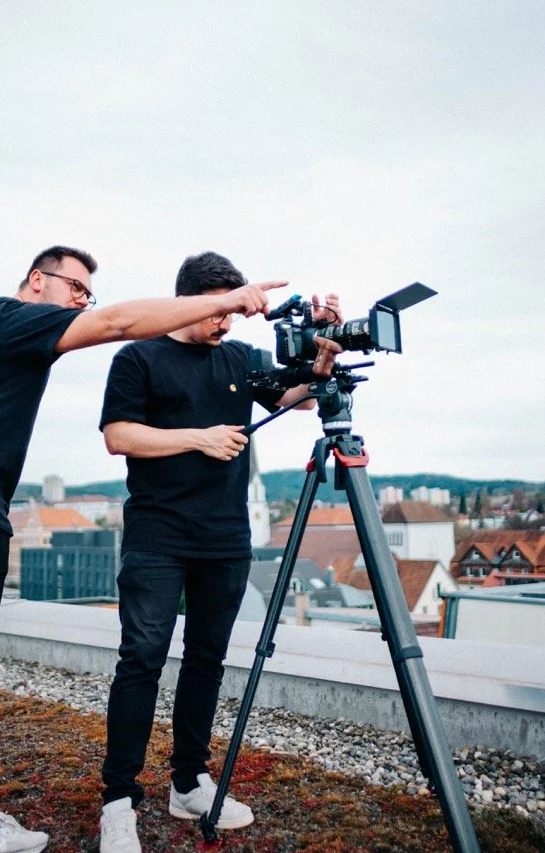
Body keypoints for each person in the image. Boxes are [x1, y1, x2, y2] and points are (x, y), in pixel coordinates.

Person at [0, 245, 287, 853]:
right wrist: (232, 299)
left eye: (88, 293)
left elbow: (293, 391)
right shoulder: (11, 319)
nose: (84, 302)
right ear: (38, 280)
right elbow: (117, 325)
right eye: (76, 288)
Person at [96, 251, 340, 853]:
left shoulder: (238, 358)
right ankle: (118, 801)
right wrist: (199, 438)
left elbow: (298, 398)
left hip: (225, 535)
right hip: (158, 532)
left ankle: (189, 783)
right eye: (218, 310)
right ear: (186, 302)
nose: (227, 322)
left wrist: (322, 360)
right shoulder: (138, 357)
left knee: (207, 658)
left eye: (233, 311)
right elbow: (118, 436)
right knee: (142, 657)